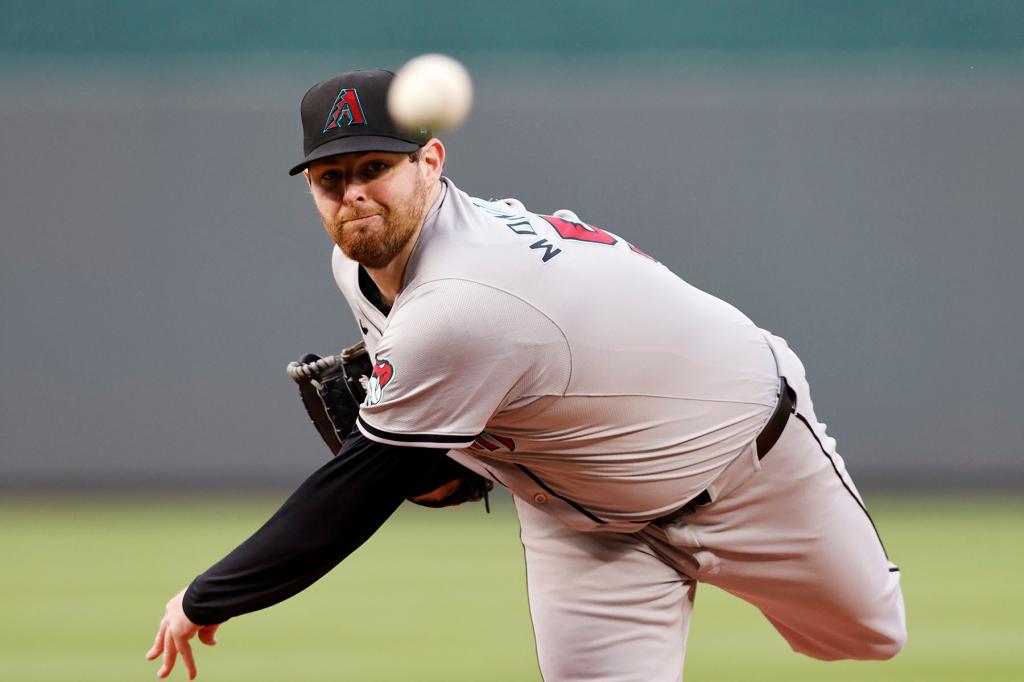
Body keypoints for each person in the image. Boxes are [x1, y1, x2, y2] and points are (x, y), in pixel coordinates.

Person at [146, 68, 906, 681]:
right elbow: (440, 424)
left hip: (747, 459)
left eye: (375, 168)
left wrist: (208, 596)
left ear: (431, 163)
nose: (353, 195)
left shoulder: (463, 301)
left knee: (869, 637)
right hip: (586, 526)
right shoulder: (358, 263)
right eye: (329, 177)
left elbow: (353, 495)